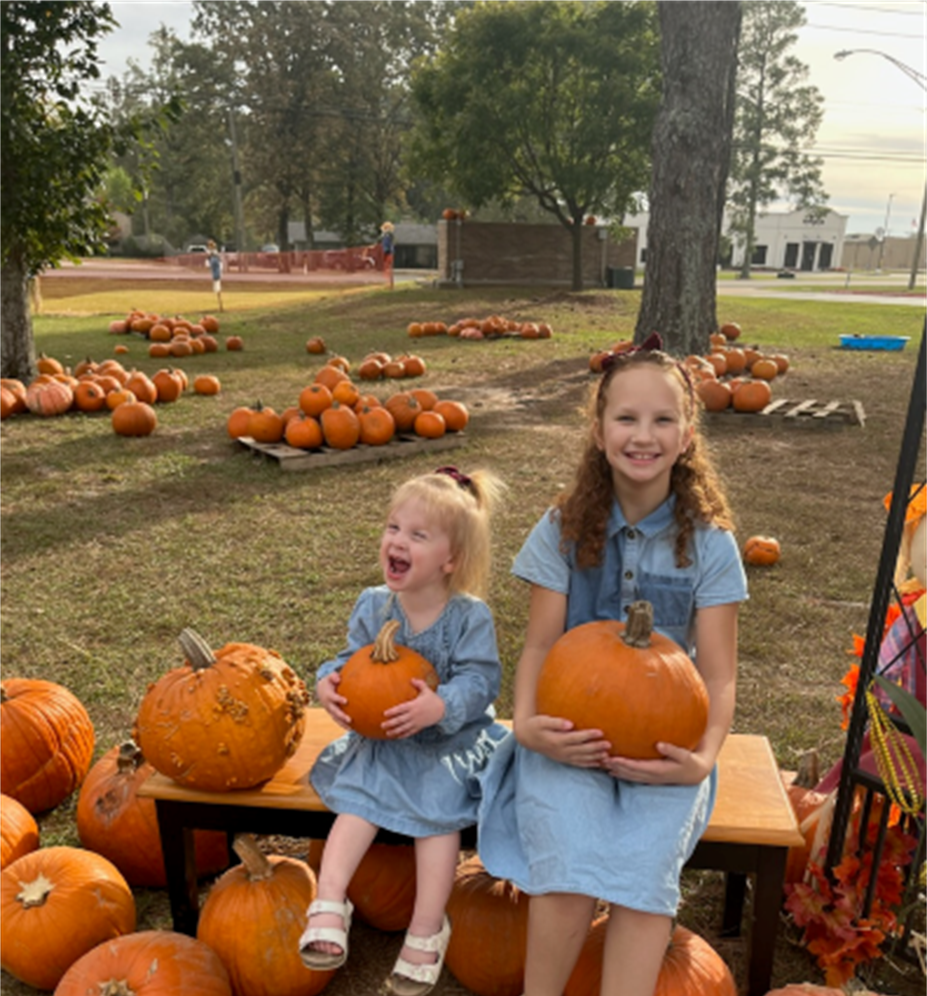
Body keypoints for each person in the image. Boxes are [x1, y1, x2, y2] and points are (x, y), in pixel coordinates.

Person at [476, 333, 748, 996]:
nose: (642, 435)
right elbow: (539, 643)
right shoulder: (564, 528)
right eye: (625, 418)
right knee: (565, 867)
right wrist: (528, 722)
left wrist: (704, 755)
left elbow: (717, 673)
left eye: (661, 420)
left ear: (686, 435)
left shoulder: (710, 544)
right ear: (598, 432)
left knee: (643, 875)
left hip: (666, 745)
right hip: (566, 736)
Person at [301, 466, 509, 996]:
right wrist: (329, 680)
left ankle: (426, 925)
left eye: (417, 535)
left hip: (446, 746)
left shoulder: (468, 616)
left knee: (437, 816)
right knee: (358, 802)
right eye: (393, 527)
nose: (397, 541)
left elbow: (482, 679)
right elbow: (350, 659)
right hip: (384, 743)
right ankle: (329, 901)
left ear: (450, 560)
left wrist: (440, 706)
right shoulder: (375, 606)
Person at [206, 239, 223, 312]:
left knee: (217, 289)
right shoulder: (214, 255)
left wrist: (210, 257)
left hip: (216, 274)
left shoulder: (214, 256)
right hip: (216, 273)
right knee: (217, 289)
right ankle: (220, 306)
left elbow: (211, 262)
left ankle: (220, 306)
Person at [380, 221, 395, 289]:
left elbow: (387, 244)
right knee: (386, 267)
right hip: (386, 252)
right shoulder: (385, 235)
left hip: (388, 252)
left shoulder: (388, 235)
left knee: (387, 267)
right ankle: (386, 281)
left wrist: (385, 251)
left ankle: (388, 282)